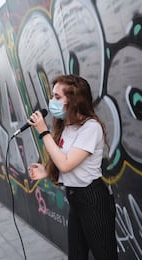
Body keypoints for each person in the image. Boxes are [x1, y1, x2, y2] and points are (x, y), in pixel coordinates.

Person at [27, 74, 117, 260]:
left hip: (92, 199)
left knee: (104, 255)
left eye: (57, 97)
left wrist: (44, 132)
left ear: (74, 100)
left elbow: (66, 164)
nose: (52, 101)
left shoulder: (90, 128)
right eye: (52, 96)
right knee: (76, 255)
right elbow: (65, 162)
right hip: (76, 198)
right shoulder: (66, 126)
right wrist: (47, 172)